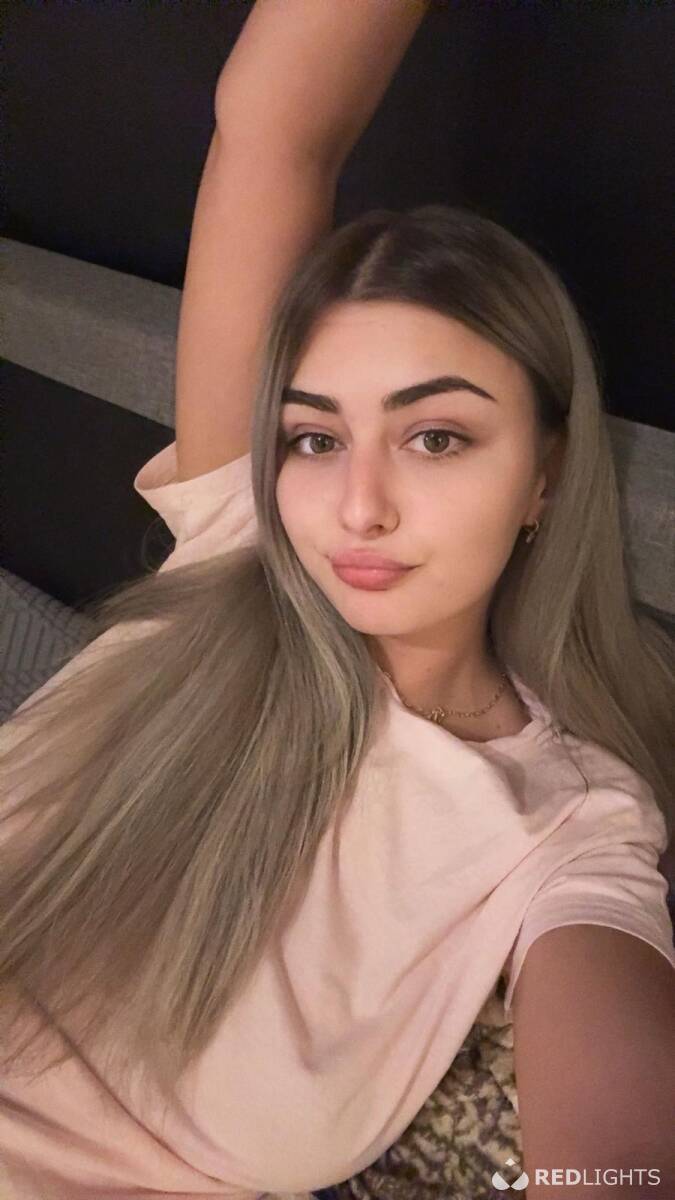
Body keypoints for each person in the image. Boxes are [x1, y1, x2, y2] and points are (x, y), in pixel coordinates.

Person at [1, 3, 674, 1198]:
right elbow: (273, 123)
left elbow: (619, 1160)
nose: (357, 509)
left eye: (435, 435)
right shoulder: (243, 542)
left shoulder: (568, 822)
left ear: (546, 476)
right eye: (315, 438)